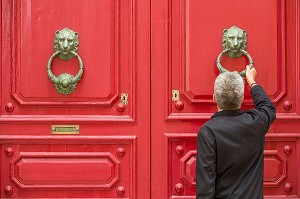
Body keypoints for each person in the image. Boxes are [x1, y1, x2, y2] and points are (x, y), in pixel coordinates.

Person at [196, 65, 276, 198]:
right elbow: (268, 107)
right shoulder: (256, 122)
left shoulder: (208, 131)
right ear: (242, 98)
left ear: (214, 98)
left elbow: (205, 185)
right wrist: (252, 82)